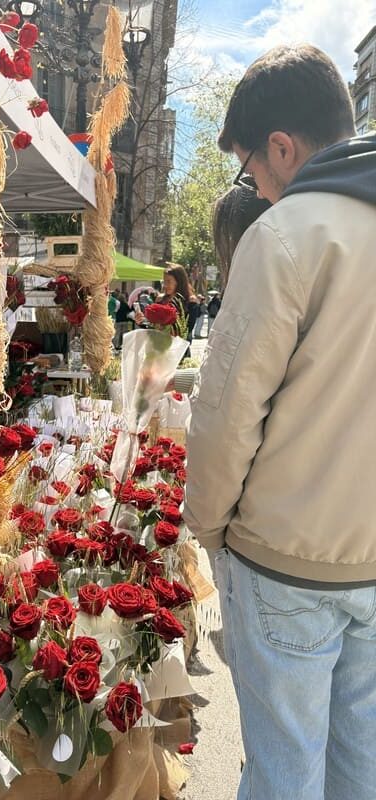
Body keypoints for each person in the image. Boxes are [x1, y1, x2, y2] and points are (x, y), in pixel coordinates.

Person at [183, 44, 376, 800]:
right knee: (359, 764)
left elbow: (228, 412)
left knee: (283, 772)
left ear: (282, 147)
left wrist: (208, 527)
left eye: (249, 168)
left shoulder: (287, 234)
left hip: (285, 560)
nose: (254, 189)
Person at [135, 265, 199, 341]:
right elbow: (151, 328)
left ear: (179, 281)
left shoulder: (190, 301)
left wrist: (164, 327)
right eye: (164, 281)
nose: (165, 285)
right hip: (157, 347)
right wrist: (141, 321)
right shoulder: (160, 299)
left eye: (168, 281)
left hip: (179, 349)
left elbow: (187, 330)